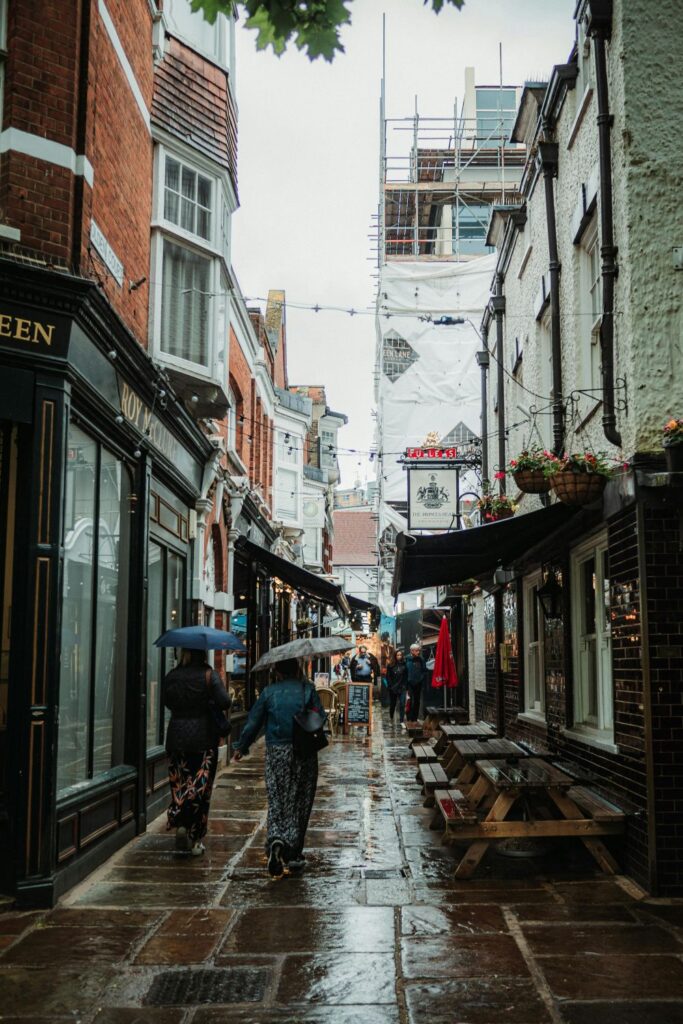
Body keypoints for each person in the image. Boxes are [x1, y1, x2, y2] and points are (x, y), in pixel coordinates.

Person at [232, 657, 324, 878]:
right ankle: (293, 853)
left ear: (278, 672)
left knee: (277, 797)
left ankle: (276, 838)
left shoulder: (269, 692)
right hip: (303, 750)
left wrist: (241, 747)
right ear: (296, 669)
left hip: (276, 751)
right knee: (300, 798)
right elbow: (320, 717)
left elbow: (254, 721)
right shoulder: (307, 689)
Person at [163, 648, 232, 856]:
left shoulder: (172, 676)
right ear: (202, 653)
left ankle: (180, 819)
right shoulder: (209, 675)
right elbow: (225, 702)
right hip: (203, 738)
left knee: (180, 783)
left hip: (176, 737)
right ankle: (194, 838)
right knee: (201, 789)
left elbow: (167, 702)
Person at [386, 648, 409, 728]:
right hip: (393, 688)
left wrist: (405, 686)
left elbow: (406, 676)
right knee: (393, 704)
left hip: (402, 687)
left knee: (402, 704)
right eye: (397, 655)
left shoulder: (404, 665)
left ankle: (402, 720)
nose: (399, 656)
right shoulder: (390, 666)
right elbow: (388, 677)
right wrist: (391, 686)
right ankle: (391, 717)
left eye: (400, 655)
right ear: (395, 656)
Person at [406, 643, 427, 721]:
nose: (418, 652)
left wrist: (421, 678)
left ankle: (415, 718)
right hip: (409, 684)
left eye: (419, 650)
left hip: (418, 683)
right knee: (409, 701)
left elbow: (424, 670)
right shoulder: (406, 659)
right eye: (417, 650)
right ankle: (409, 718)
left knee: (417, 701)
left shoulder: (421, 659)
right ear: (412, 651)